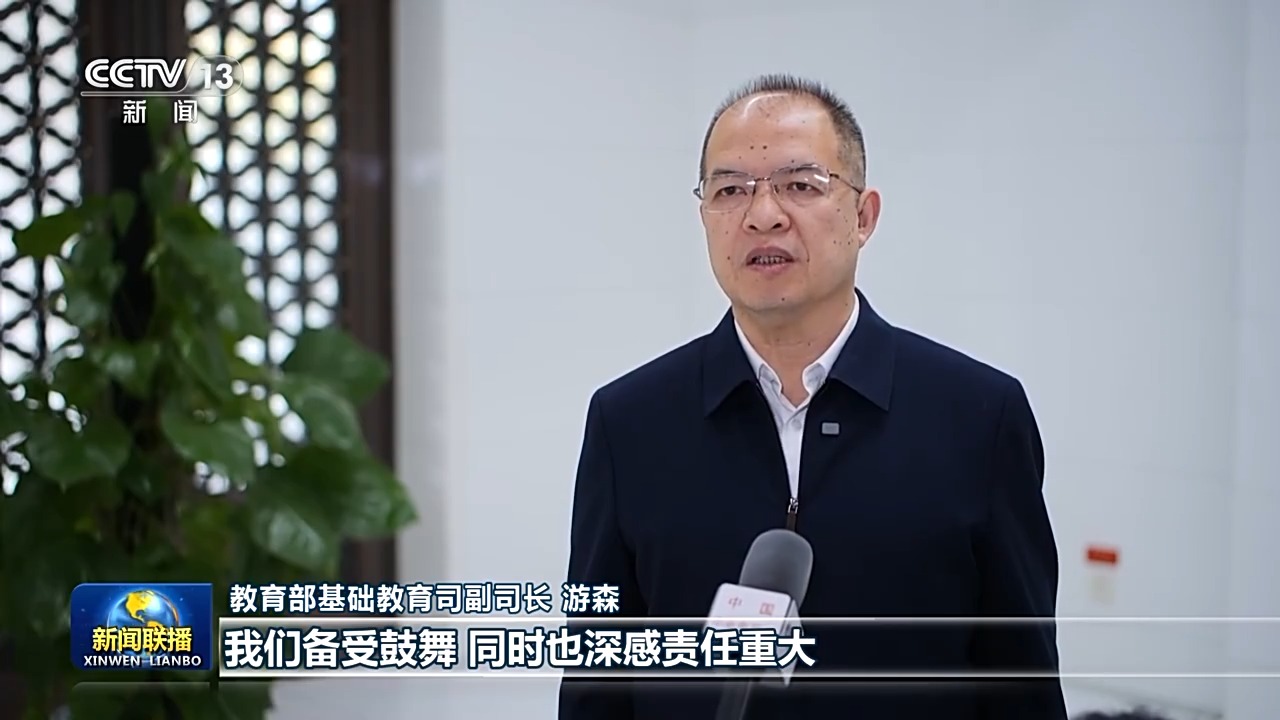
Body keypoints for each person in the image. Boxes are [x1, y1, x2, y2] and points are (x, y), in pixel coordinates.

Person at [558, 73, 1066, 720]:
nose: (762, 214)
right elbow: (596, 682)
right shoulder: (629, 423)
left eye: (800, 185)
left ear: (863, 217)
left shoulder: (978, 417)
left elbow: (1022, 683)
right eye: (730, 190)